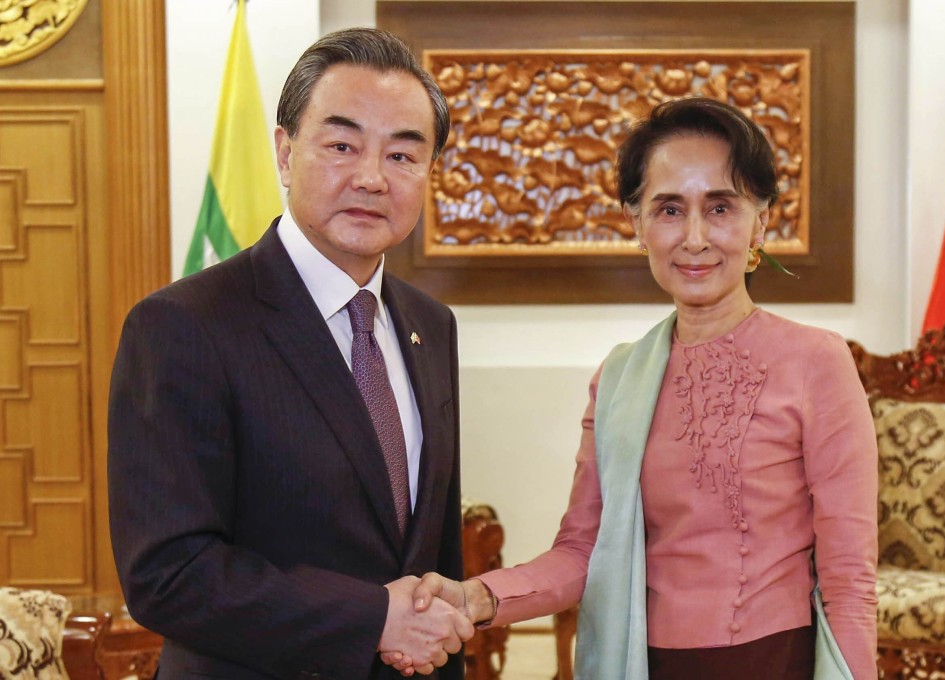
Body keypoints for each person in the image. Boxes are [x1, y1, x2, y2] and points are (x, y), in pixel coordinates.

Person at [396, 97, 879, 679]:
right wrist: (477, 597)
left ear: (761, 220)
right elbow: (582, 553)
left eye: (721, 207)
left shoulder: (816, 361)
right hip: (642, 665)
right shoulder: (621, 377)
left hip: (773, 662)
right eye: (669, 209)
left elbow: (850, 581)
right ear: (637, 224)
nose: (695, 238)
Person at [108, 28, 472, 680]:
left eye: (402, 156)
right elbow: (168, 572)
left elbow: (430, 555)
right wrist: (370, 617)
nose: (371, 177)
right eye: (341, 146)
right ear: (284, 152)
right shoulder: (182, 325)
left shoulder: (430, 325)